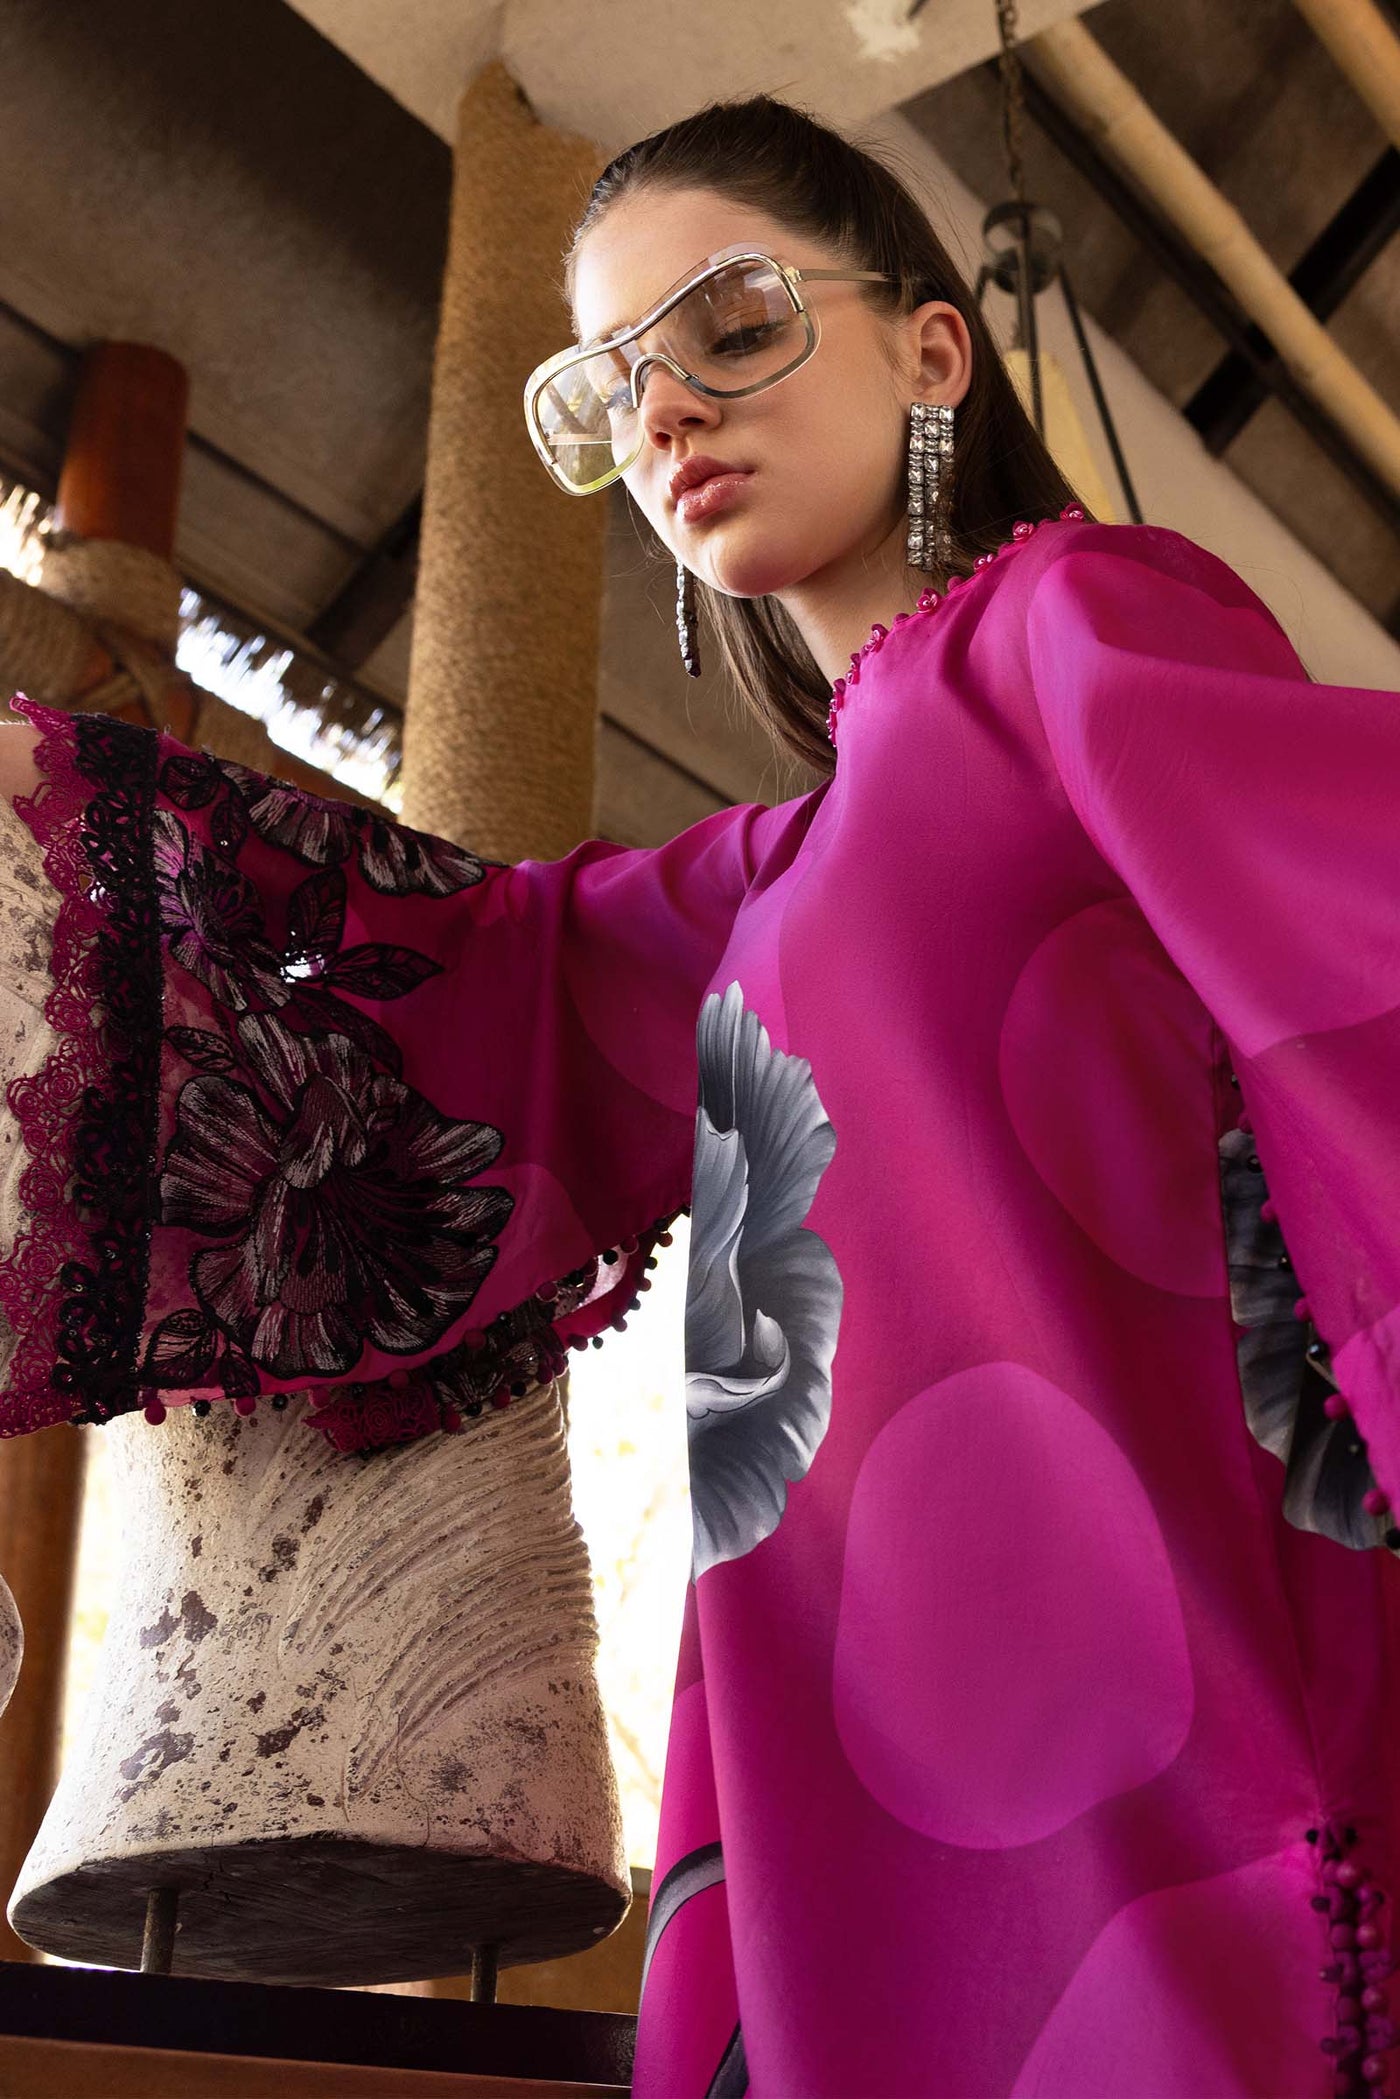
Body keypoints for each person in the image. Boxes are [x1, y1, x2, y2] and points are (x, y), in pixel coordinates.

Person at [1, 90, 1398, 2097]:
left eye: (732, 327)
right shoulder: (773, 880)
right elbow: (454, 993)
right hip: (840, 1728)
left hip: (1142, 1719)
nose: (665, 413)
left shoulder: (1071, 627)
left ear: (933, 350)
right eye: (608, 387)